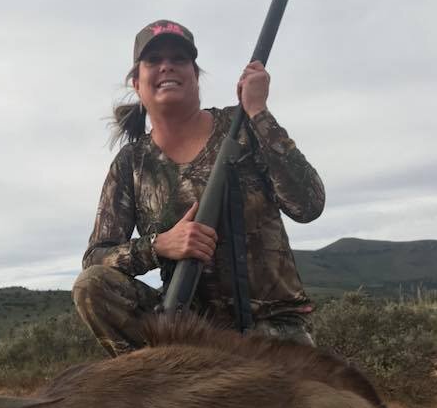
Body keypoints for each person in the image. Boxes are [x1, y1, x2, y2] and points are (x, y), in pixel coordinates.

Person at [73, 19, 324, 357]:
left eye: (179, 58)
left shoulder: (245, 127)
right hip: (189, 334)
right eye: (154, 60)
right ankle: (158, 382)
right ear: (137, 82)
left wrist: (259, 111)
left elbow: (308, 205)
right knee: (91, 287)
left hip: (274, 326)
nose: (167, 66)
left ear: (195, 74)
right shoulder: (130, 163)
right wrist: (160, 245)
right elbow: (96, 259)